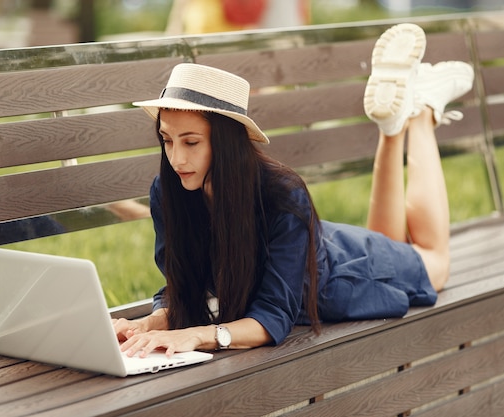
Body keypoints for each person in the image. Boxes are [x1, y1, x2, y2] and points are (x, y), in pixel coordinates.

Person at [113, 23, 474, 357]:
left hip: (344, 272)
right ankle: (393, 126)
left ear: (225, 142)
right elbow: (181, 287)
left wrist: (199, 335)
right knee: (388, 236)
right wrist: (143, 325)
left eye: (191, 142)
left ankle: (423, 111)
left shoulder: (281, 195)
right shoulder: (169, 192)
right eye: (167, 140)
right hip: (314, 246)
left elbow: (272, 316)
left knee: (436, 262)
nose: (176, 158)